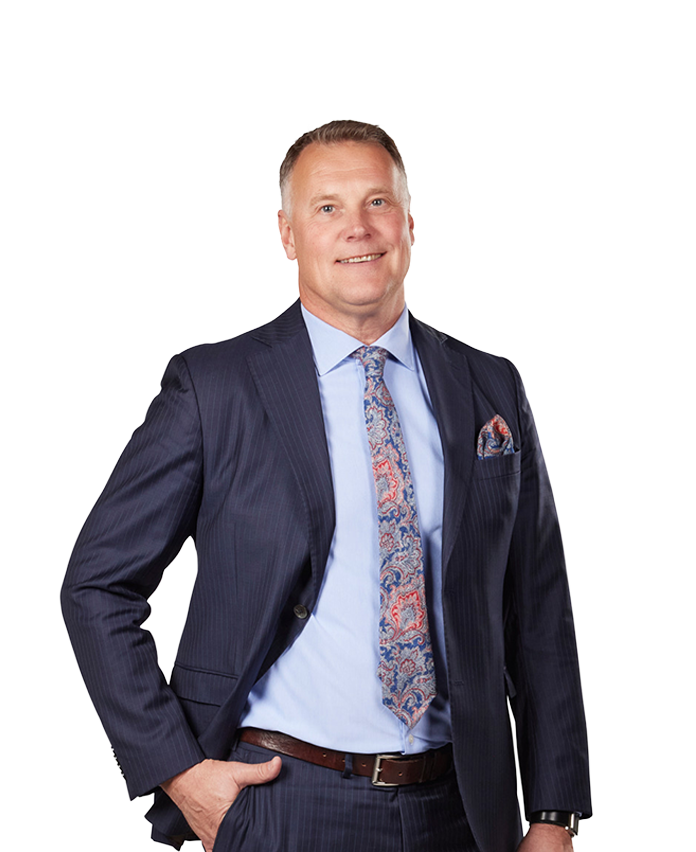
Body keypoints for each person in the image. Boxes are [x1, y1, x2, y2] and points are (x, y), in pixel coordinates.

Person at [60, 120, 592, 852]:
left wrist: (554, 814)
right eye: (328, 208)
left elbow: (538, 606)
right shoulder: (216, 388)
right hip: (282, 800)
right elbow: (97, 585)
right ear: (288, 234)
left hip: (465, 808)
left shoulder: (489, 385)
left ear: (408, 222)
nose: (358, 228)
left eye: (378, 202)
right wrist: (180, 772)